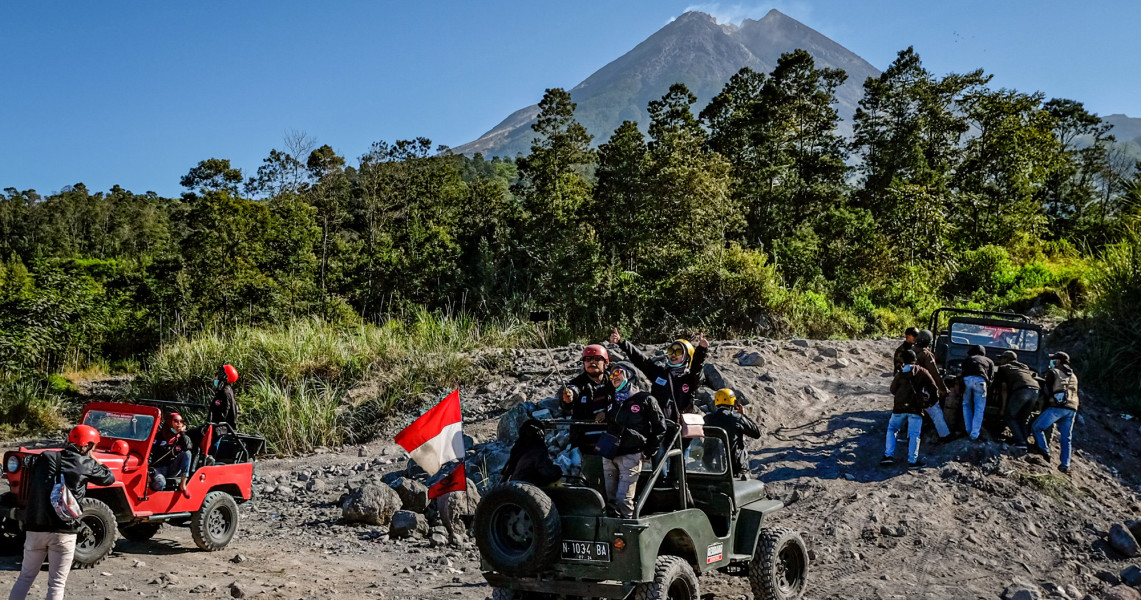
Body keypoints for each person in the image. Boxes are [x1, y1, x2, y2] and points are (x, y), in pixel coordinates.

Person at [9, 424, 115, 600]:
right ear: (87, 445)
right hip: (64, 531)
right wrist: (94, 458)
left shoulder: (45, 457)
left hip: (35, 527)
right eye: (93, 445)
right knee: (57, 584)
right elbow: (109, 477)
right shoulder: (86, 464)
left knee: (25, 578)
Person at [600, 362, 666, 518]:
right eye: (611, 375)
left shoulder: (645, 399)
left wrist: (649, 451)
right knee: (610, 500)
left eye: (618, 373)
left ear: (629, 374)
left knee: (624, 499)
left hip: (631, 455)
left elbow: (660, 427)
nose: (613, 377)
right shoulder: (612, 399)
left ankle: (629, 530)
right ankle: (613, 534)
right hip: (609, 454)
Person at [608, 329, 708, 422]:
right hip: (661, 427)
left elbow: (696, 370)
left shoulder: (690, 378)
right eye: (671, 351)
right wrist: (622, 343)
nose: (673, 354)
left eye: (678, 351)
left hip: (682, 430)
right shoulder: (660, 373)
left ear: (687, 357)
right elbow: (641, 360)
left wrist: (701, 350)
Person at [559, 344, 615, 488]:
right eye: (588, 359)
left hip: (615, 445)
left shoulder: (615, 381)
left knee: (617, 486)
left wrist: (608, 414)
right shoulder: (577, 383)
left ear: (606, 362)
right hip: (590, 448)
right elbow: (572, 393)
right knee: (596, 484)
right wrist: (568, 398)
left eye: (597, 358)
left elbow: (627, 401)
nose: (592, 362)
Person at [882, 350, 940, 469]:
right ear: (915, 359)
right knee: (915, 434)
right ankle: (912, 461)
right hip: (916, 408)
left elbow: (892, 390)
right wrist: (930, 403)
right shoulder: (922, 371)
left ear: (904, 360)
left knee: (892, 429)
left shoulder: (900, 373)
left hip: (899, 406)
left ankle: (888, 456)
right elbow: (933, 388)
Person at [1030, 352, 1080, 474]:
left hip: (1058, 407)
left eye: (1053, 359)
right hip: (1072, 408)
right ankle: (1065, 465)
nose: (1051, 361)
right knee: (1066, 438)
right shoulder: (1073, 375)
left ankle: (1044, 451)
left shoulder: (1054, 372)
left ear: (1058, 361)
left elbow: (1047, 390)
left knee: (1036, 427)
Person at [702, 389, 761, 479]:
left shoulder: (708, 419)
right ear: (733, 402)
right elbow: (757, 433)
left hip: (714, 468)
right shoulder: (737, 418)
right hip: (737, 469)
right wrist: (743, 416)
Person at [994, 350, 1040, 449]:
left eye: (1002, 358)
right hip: (1035, 390)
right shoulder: (1025, 367)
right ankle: (1025, 442)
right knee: (1023, 419)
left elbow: (1004, 389)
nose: (1000, 361)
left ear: (1007, 359)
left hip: (1021, 391)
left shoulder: (1004, 368)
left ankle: (1020, 442)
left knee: (1009, 417)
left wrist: (1002, 409)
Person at [914, 329, 952, 441]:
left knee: (913, 412)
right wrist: (943, 389)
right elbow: (934, 373)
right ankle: (944, 435)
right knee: (935, 411)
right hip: (923, 386)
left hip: (910, 385)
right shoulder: (926, 355)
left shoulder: (910, 351)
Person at [501, 419, 562, 486]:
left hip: (520, 488)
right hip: (528, 489)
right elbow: (549, 472)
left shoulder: (519, 449)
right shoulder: (536, 452)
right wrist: (558, 470)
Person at [958, 344, 996, 441]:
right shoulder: (989, 361)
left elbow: (962, 372)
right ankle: (974, 434)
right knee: (979, 408)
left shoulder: (968, 359)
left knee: (966, 405)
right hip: (980, 381)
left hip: (966, 380)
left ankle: (968, 429)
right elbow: (991, 378)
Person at [150, 412, 192, 492]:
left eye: (181, 421)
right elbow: (150, 451)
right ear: (170, 422)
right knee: (160, 482)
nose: (179, 424)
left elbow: (188, 447)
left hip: (172, 467)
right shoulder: (159, 435)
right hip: (158, 468)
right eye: (176, 421)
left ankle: (183, 483)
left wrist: (182, 433)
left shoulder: (181, 437)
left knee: (187, 453)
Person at [210, 364, 239, 429]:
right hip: (219, 427)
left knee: (190, 434)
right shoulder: (227, 390)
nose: (217, 377)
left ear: (224, 377)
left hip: (220, 429)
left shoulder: (224, 392)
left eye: (219, 375)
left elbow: (222, 415)